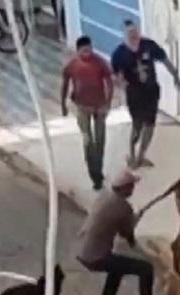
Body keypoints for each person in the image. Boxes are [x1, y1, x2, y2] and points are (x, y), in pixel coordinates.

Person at [76, 169, 154, 295]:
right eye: (131, 186)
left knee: (118, 266)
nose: (133, 189)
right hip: (95, 257)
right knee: (146, 269)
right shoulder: (123, 207)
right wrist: (137, 217)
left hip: (81, 249)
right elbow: (125, 233)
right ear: (124, 188)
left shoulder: (103, 195)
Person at [111, 19, 180, 169]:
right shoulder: (119, 53)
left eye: (135, 31)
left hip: (151, 91)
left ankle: (142, 155)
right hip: (135, 93)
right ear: (124, 35)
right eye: (130, 32)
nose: (134, 34)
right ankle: (132, 154)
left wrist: (175, 75)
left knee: (150, 125)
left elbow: (164, 59)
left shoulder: (148, 45)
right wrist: (120, 86)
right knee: (137, 125)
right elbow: (116, 75)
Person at [62, 36, 114, 190]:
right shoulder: (72, 66)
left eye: (90, 49)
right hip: (82, 107)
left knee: (100, 140)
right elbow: (64, 85)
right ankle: (94, 174)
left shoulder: (100, 62)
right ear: (78, 51)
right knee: (87, 140)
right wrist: (63, 105)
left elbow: (109, 82)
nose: (88, 53)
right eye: (84, 51)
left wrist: (108, 103)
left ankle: (99, 169)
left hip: (99, 107)